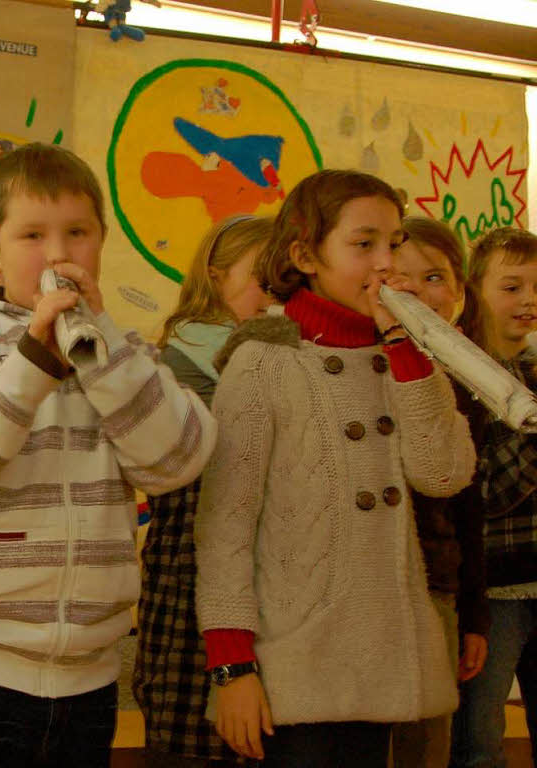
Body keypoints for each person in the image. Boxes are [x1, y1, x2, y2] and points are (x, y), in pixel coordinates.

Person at [0, 142, 218, 768]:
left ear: (101, 242)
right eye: (32, 234)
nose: (58, 254)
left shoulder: (118, 349)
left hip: (86, 677)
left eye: (77, 233)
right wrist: (30, 365)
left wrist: (105, 355)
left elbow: (177, 461)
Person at [195, 169, 475, 767]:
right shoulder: (263, 362)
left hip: (382, 661)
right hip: (293, 666)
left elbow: (443, 474)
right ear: (305, 255)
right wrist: (231, 666)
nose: (385, 262)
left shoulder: (403, 354)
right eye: (363, 243)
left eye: (395, 242)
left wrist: (404, 343)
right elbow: (225, 528)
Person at [134, 214, 273, 766]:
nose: (274, 295)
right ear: (216, 277)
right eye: (263, 279)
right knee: (196, 740)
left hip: (255, 582)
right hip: (192, 575)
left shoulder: (274, 354)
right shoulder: (184, 359)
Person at [387, 216, 489, 768]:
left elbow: (470, 511)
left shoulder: (472, 380)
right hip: (369, 588)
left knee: (427, 747)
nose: (419, 292)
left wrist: (474, 614)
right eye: (401, 278)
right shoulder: (364, 369)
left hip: (437, 589)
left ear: (457, 291)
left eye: (434, 277)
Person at [450, 226, 537, 768]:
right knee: (479, 742)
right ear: (474, 291)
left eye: (536, 287)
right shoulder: (462, 375)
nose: (528, 300)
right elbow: (481, 490)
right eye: (511, 287)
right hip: (494, 592)